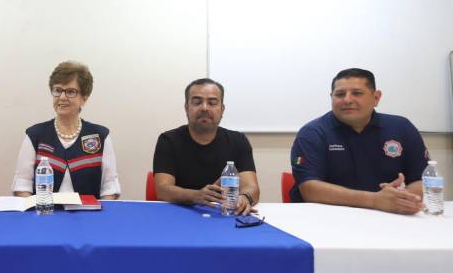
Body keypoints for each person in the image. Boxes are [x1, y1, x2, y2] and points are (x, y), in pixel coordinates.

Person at [289, 68, 427, 214]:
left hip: (386, 216)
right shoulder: (313, 133)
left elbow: (421, 179)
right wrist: (375, 200)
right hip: (326, 217)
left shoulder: (401, 127)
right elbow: (309, 189)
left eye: (357, 93)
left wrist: (405, 199)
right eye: (340, 94)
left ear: (376, 98)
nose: (347, 100)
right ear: (331, 97)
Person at [12, 61, 120, 199]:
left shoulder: (100, 136)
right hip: (45, 216)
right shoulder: (35, 135)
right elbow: (23, 184)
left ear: (84, 98)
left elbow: (109, 187)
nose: (62, 97)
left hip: (89, 217)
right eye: (57, 90)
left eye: (70, 92)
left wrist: (98, 219)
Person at [153, 78, 259, 215]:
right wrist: (195, 196)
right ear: (186, 107)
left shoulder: (238, 141)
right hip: (181, 214)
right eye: (197, 102)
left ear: (222, 109)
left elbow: (252, 187)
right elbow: (162, 189)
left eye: (212, 103)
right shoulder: (168, 140)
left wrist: (245, 197)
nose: (204, 107)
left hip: (225, 215)